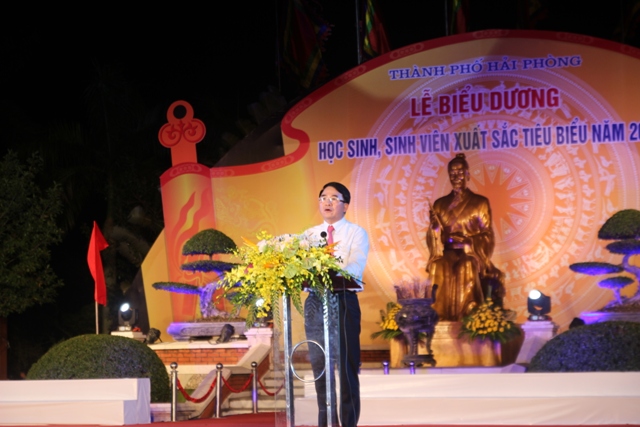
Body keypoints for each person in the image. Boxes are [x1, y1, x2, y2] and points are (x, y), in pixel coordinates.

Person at [304, 182, 369, 427]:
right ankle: (326, 421)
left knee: (346, 366)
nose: (327, 202)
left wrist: (329, 271)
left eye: (333, 198)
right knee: (320, 365)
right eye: (323, 197)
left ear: (345, 205)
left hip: (343, 301)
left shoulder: (356, 233)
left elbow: (355, 266)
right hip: (315, 301)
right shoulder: (308, 235)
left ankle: (349, 423)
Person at [426, 153, 505, 321]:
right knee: (437, 266)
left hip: (471, 253)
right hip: (447, 252)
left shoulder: (480, 202)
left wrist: (470, 242)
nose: (456, 177)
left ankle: (469, 312)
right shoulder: (440, 204)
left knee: (467, 266)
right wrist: (435, 230)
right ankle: (438, 312)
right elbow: (434, 238)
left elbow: (487, 234)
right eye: (452, 173)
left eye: (460, 172)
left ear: (468, 175)